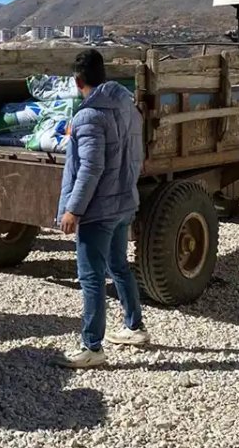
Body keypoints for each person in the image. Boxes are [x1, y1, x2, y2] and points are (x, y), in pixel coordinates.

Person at [55, 49, 148, 369]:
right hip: (124, 201)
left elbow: (90, 169)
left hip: (99, 209)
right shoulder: (128, 108)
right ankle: (134, 327)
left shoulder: (88, 117)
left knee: (91, 276)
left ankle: (92, 346)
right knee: (119, 265)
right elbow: (136, 155)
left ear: (77, 80)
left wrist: (73, 209)